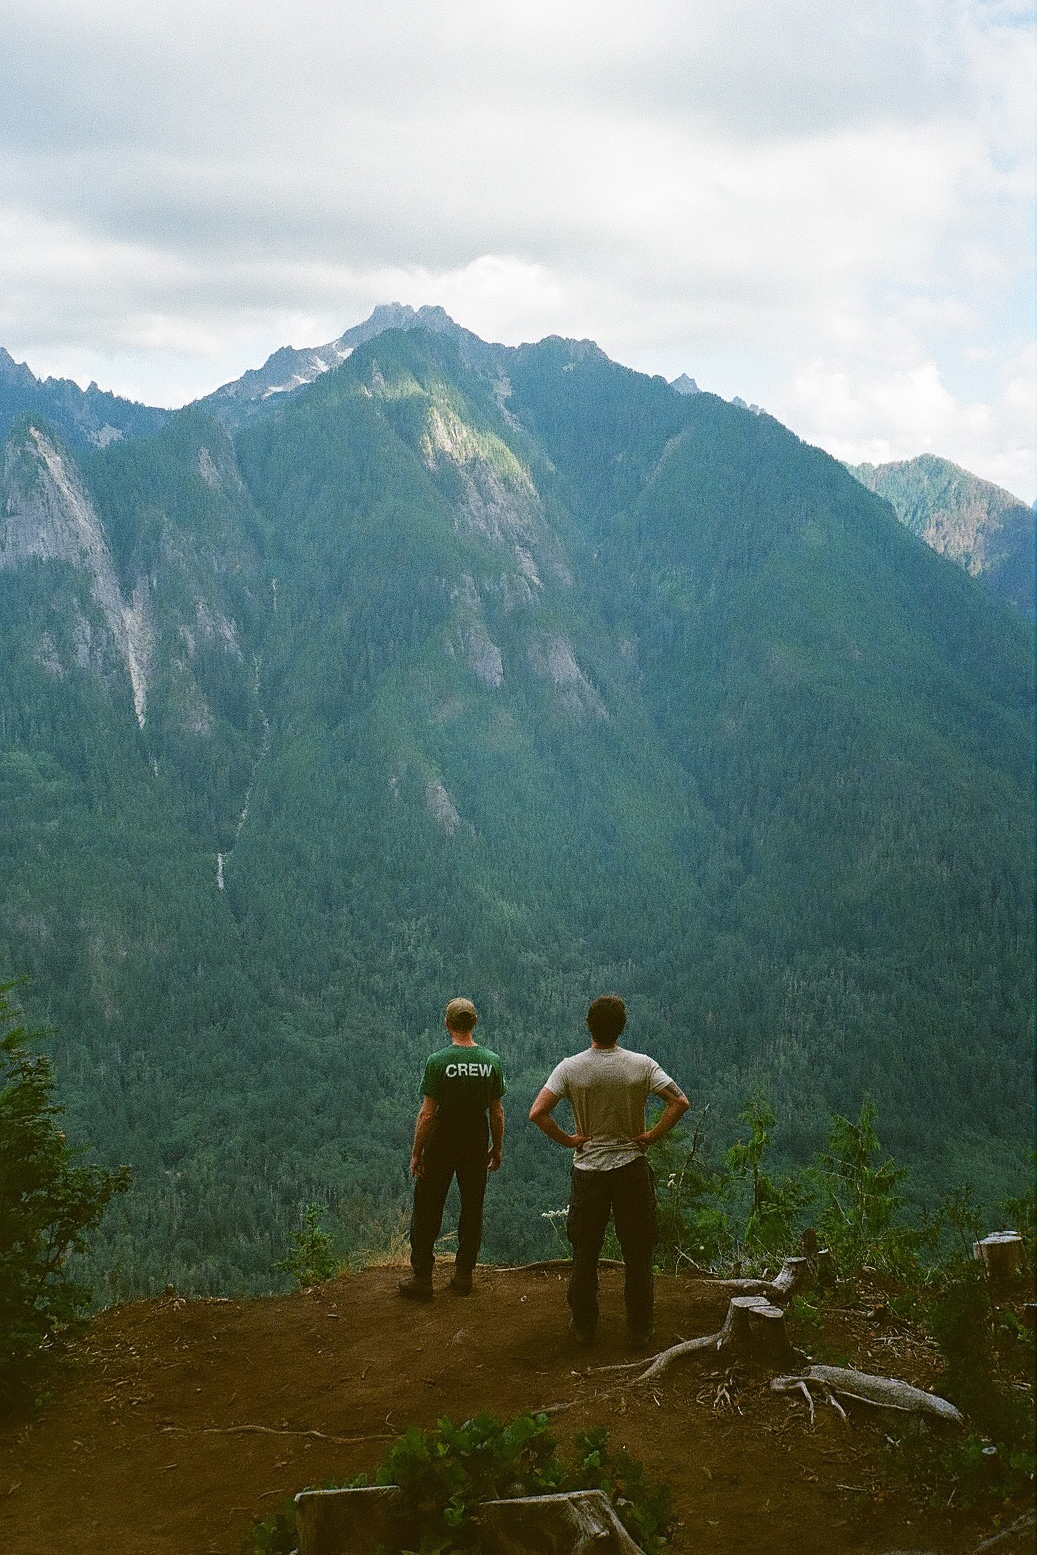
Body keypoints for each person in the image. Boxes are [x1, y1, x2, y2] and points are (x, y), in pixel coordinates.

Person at [529, 994, 688, 1345]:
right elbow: (679, 1101)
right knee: (637, 1250)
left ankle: (584, 1327)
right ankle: (640, 1329)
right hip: (631, 1168)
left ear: (589, 1025)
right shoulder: (641, 1065)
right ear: (622, 1027)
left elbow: (537, 1112)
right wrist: (651, 1136)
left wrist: (569, 1140)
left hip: (588, 1171)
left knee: (585, 1252)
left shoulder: (570, 1068)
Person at [398, 997, 506, 1300]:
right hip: (475, 1138)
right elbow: (496, 1112)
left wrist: (417, 1152)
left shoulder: (438, 1061)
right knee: (472, 1207)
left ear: (446, 1024)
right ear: (474, 1022)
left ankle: (422, 1278)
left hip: (442, 1139)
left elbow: (427, 1114)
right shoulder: (491, 1061)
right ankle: (463, 1276)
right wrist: (497, 1148)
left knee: (428, 1206)